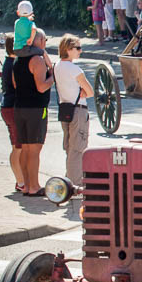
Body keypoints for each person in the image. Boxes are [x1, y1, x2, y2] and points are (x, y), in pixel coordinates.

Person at [13, 29, 54, 196]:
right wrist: (54, 77)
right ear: (39, 41)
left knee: (25, 149)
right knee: (34, 150)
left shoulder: (18, 59)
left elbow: (16, 85)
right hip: (36, 109)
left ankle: (27, 185)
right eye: (44, 39)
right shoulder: (36, 60)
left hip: (20, 107)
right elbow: (42, 86)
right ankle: (34, 186)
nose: (45, 42)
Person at [54, 35, 93, 185]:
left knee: (69, 147)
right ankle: (75, 182)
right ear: (68, 49)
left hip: (65, 109)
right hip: (78, 110)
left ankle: (69, 177)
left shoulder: (57, 66)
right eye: (77, 48)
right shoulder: (75, 69)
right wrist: (83, 91)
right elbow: (90, 92)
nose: (80, 51)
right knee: (78, 148)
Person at [0, 36, 24, 193]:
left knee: (18, 147)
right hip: (11, 107)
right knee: (17, 147)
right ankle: (20, 181)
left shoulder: (9, 62)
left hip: (8, 107)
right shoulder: (13, 64)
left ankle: (21, 179)